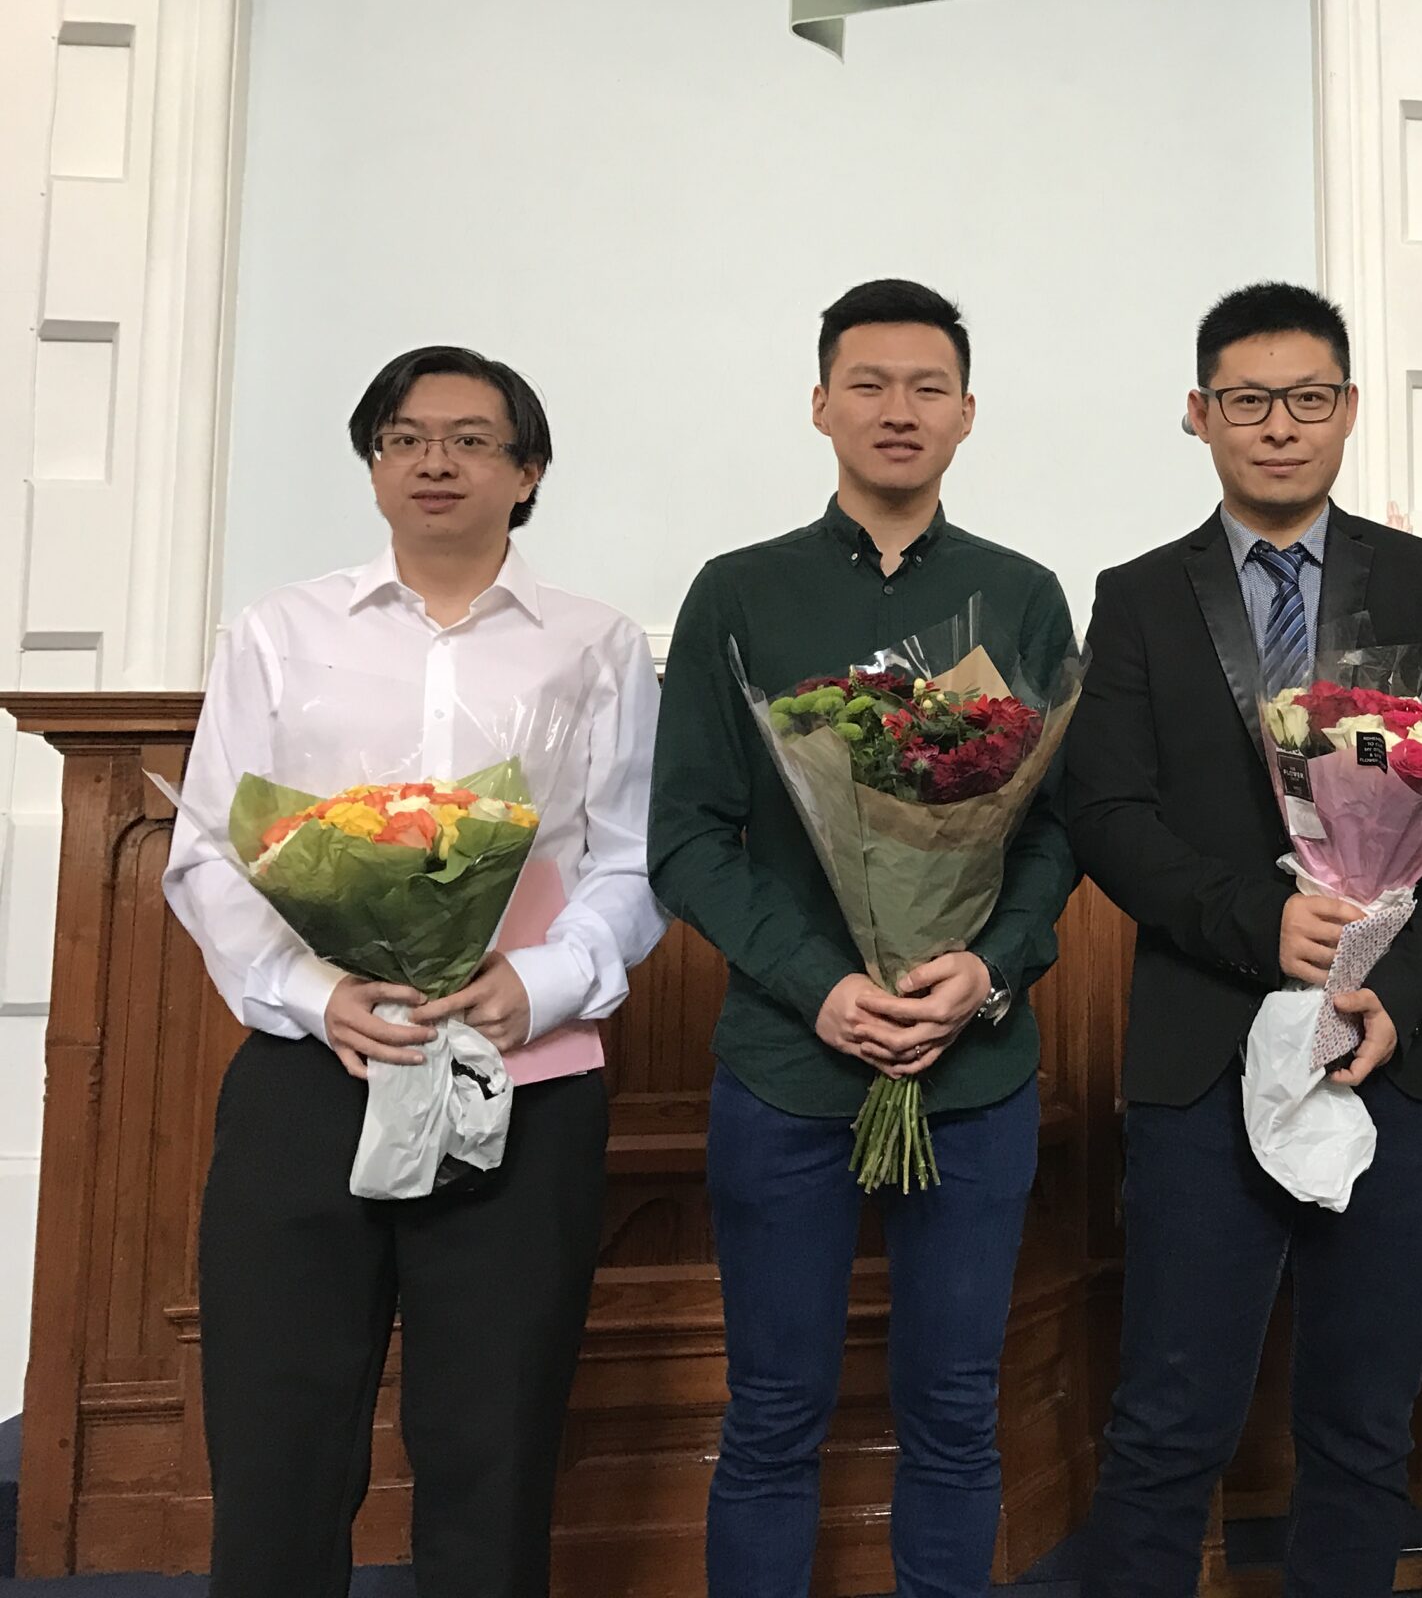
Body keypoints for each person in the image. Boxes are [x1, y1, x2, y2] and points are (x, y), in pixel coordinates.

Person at [165, 346, 664, 1598]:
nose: (435, 460)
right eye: (404, 437)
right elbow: (210, 852)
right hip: (312, 1069)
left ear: (527, 472)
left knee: (494, 1438)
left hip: (518, 1072)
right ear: (375, 465)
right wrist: (314, 995)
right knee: (278, 1437)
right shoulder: (280, 632)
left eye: (471, 439)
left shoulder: (596, 645)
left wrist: (544, 981)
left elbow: (632, 859)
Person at [1065, 282, 1422, 1598]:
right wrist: (1265, 925)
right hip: (1207, 1048)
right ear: (1199, 414)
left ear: (1348, 410)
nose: (1278, 426)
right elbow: (1108, 813)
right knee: (1169, 1422)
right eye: (1248, 401)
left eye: (1307, 398)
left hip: (1390, 1053)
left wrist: (1394, 990)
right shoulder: (1140, 596)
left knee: (1365, 1424)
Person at [649, 278, 1078, 1598]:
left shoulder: (1020, 595)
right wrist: (818, 984)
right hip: (789, 1067)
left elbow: (1055, 832)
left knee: (954, 1412)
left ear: (967, 413)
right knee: (774, 1412)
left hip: (973, 1071)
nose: (900, 409)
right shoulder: (739, 593)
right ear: (821, 405)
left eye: (927, 386)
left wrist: (987, 970)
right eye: (870, 384)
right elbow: (689, 838)